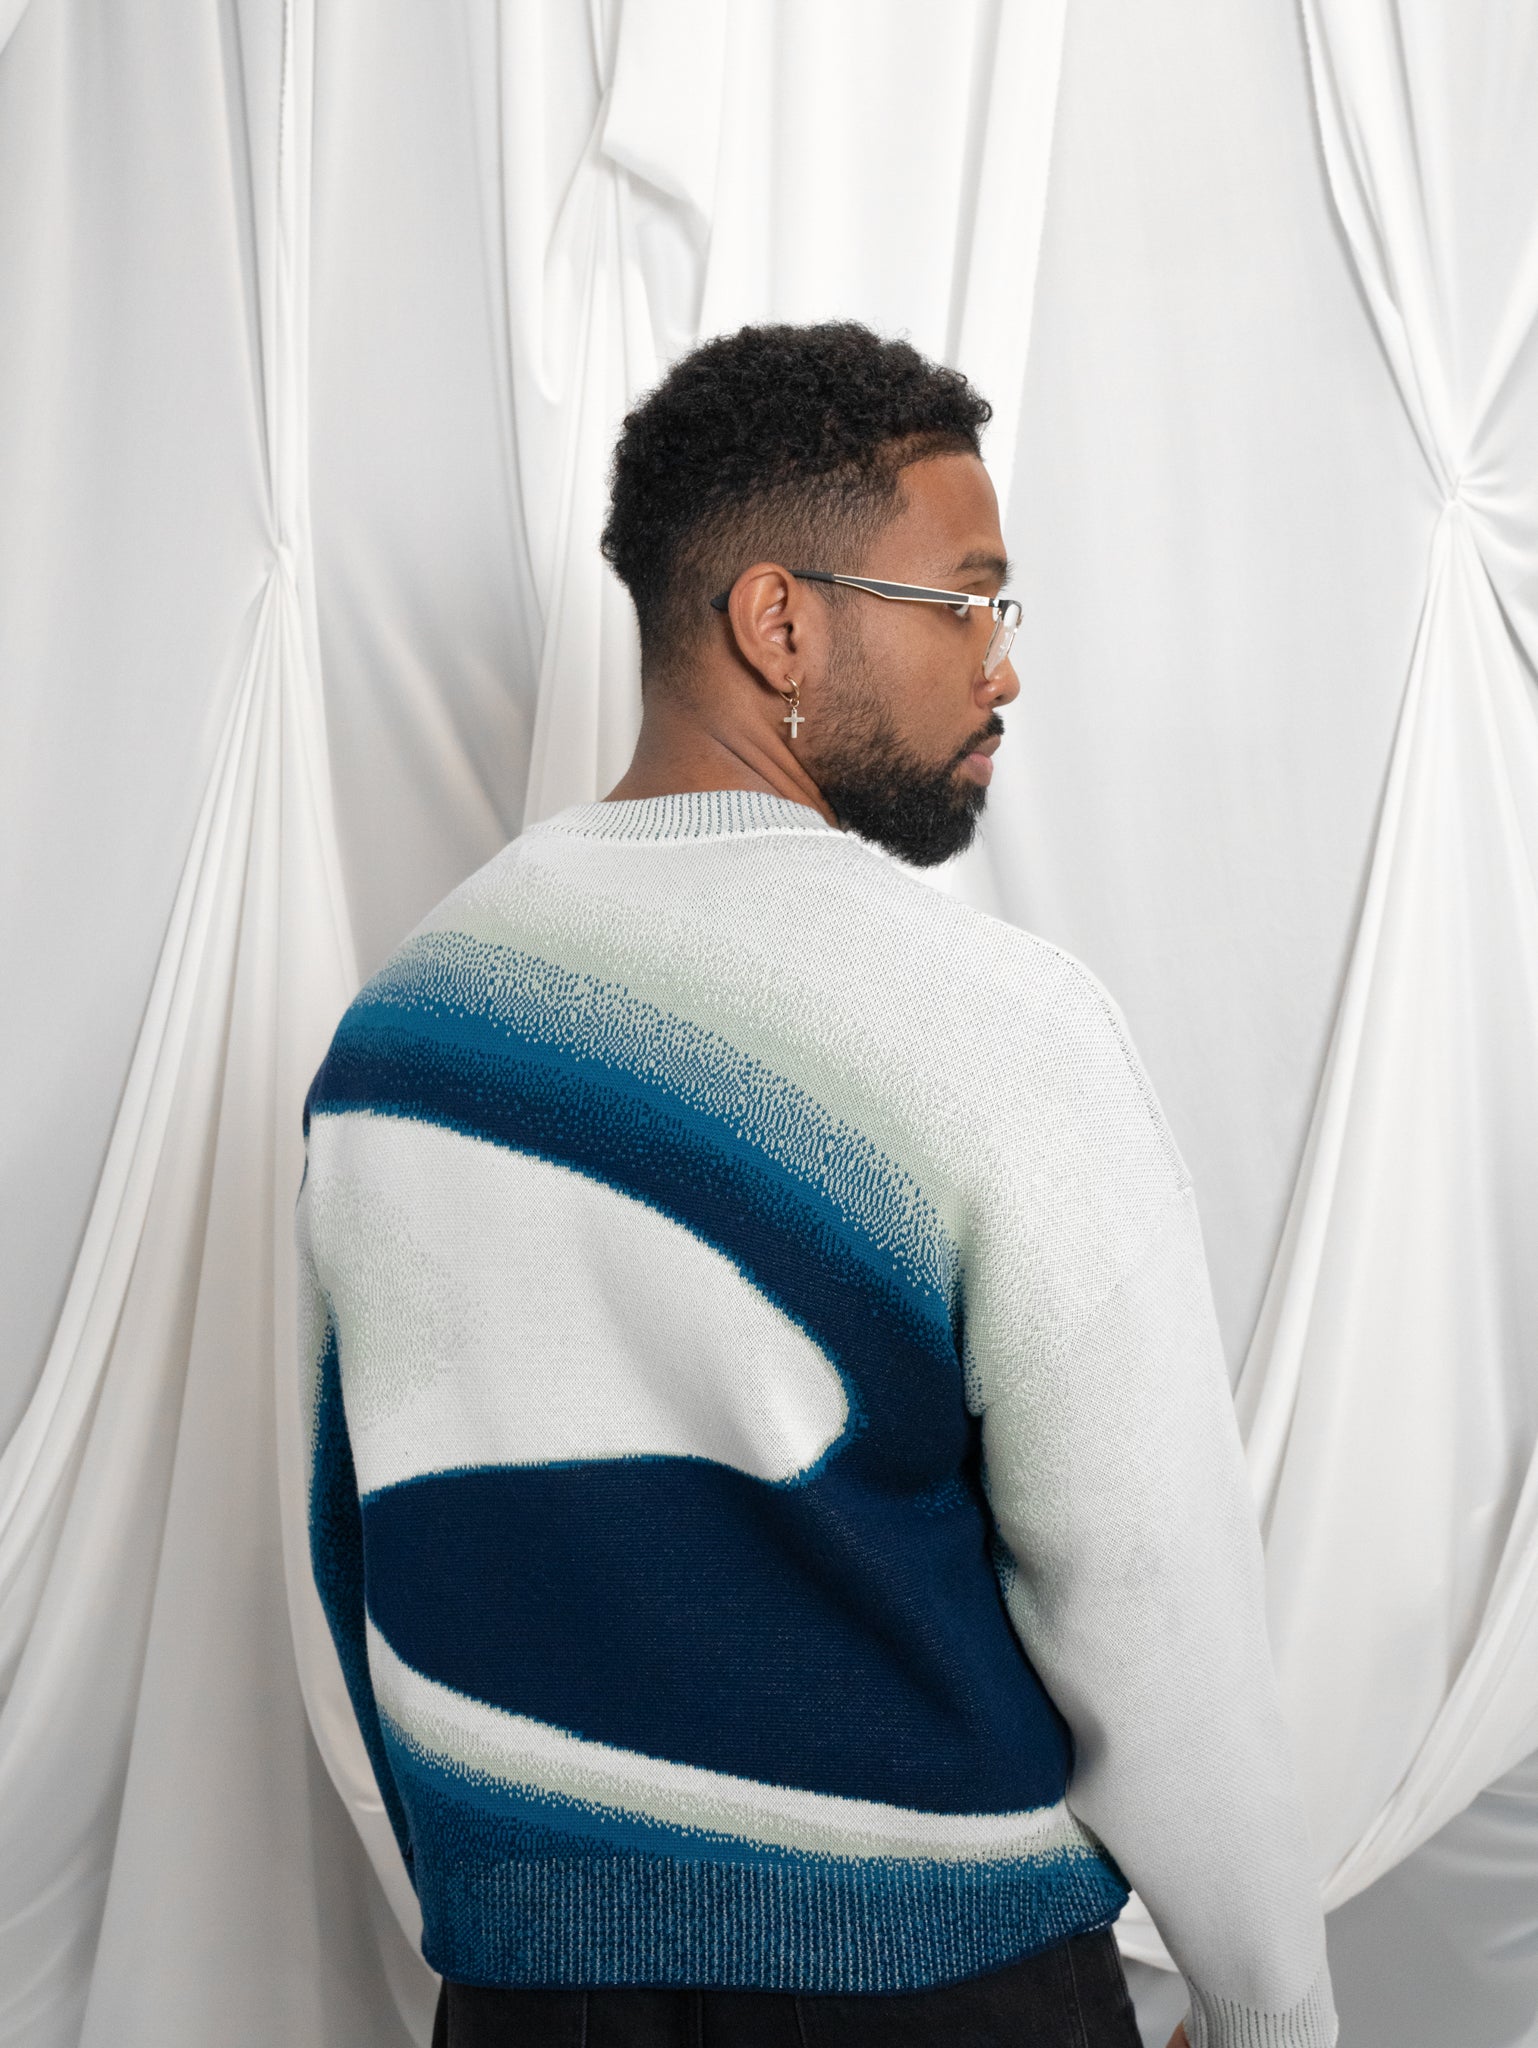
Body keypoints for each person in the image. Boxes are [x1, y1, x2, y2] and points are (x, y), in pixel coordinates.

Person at [295, 322, 1337, 2048]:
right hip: (941, 1992)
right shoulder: (999, 1031)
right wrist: (1272, 2005)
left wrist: (506, 1919)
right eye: (969, 603)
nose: (1001, 669)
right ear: (781, 621)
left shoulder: (397, 1040)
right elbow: (1154, 1614)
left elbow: (354, 1565)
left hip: (524, 1995)